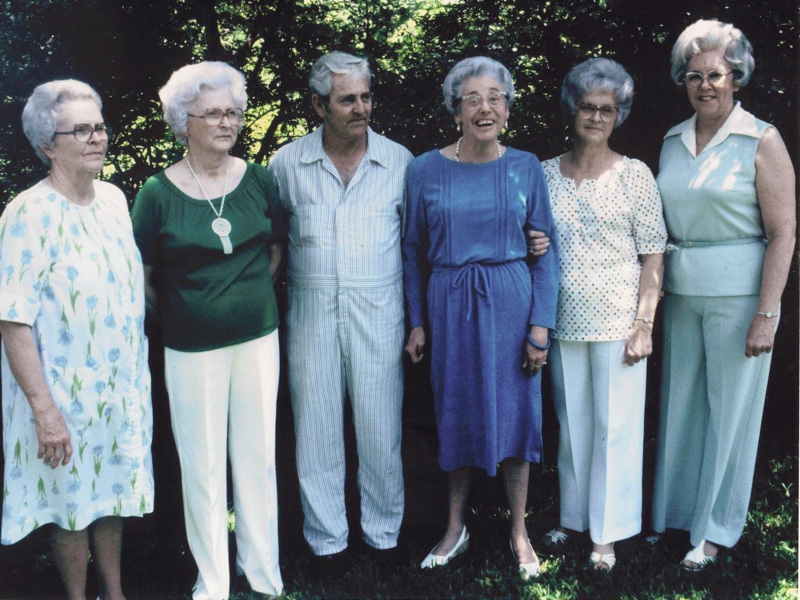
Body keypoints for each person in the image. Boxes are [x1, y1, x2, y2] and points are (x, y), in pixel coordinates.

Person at [130, 62, 285, 599]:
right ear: (183, 120)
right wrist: (191, 310)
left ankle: (263, 573)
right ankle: (213, 581)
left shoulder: (260, 179)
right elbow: (143, 279)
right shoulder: (156, 193)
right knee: (201, 464)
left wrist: (241, 300)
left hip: (259, 339)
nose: (227, 122)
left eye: (233, 112)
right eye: (213, 113)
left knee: (258, 456)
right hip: (191, 348)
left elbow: (275, 249)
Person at [403, 56, 559, 581]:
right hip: (449, 305)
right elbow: (412, 251)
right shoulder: (424, 168)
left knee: (518, 415)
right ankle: (455, 527)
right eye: (472, 99)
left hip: (512, 304)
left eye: (495, 98)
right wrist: (418, 321)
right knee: (456, 411)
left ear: (508, 111)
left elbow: (546, 250)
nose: (485, 107)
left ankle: (519, 530)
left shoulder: (526, 166)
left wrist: (540, 326)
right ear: (456, 111)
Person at [651, 19, 796, 571]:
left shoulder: (761, 138)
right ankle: (678, 517)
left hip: (741, 295)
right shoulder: (671, 140)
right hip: (682, 293)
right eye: (694, 76)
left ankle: (716, 531)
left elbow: (784, 231)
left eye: (715, 75)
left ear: (736, 77)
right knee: (682, 406)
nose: (704, 85)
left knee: (731, 413)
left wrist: (768, 312)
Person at [0, 79, 153, 600]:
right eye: (81, 130)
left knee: (111, 492)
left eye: (100, 127)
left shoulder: (112, 200)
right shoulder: (27, 213)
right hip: (60, 394)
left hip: (116, 387)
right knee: (69, 502)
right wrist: (44, 411)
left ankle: (115, 592)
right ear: (48, 145)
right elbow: (12, 320)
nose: (97, 138)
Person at [269, 51, 412, 574]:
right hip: (310, 312)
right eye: (347, 98)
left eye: (366, 96)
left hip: (380, 310)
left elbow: (416, 248)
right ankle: (327, 543)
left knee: (380, 430)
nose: (360, 108)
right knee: (317, 430)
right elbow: (273, 245)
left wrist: (416, 320)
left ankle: (384, 538)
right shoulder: (287, 164)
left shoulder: (399, 161)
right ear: (319, 105)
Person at [538, 58, 667, 572]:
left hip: (618, 322)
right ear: (572, 109)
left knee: (615, 427)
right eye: (587, 107)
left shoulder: (635, 175)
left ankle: (607, 535)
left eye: (606, 110)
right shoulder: (545, 172)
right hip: (561, 320)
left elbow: (653, 252)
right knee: (573, 426)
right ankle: (573, 519)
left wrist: (644, 324)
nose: (595, 117)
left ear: (619, 116)